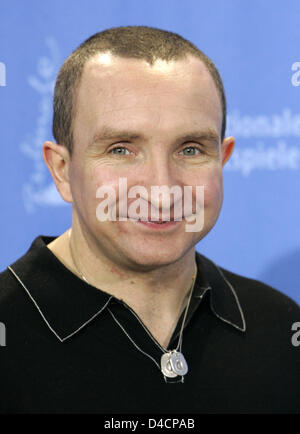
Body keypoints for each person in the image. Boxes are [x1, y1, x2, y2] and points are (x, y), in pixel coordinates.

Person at [0, 25, 299, 414]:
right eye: (122, 149)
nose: (161, 190)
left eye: (190, 149)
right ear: (61, 169)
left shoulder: (280, 329)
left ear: (223, 160)